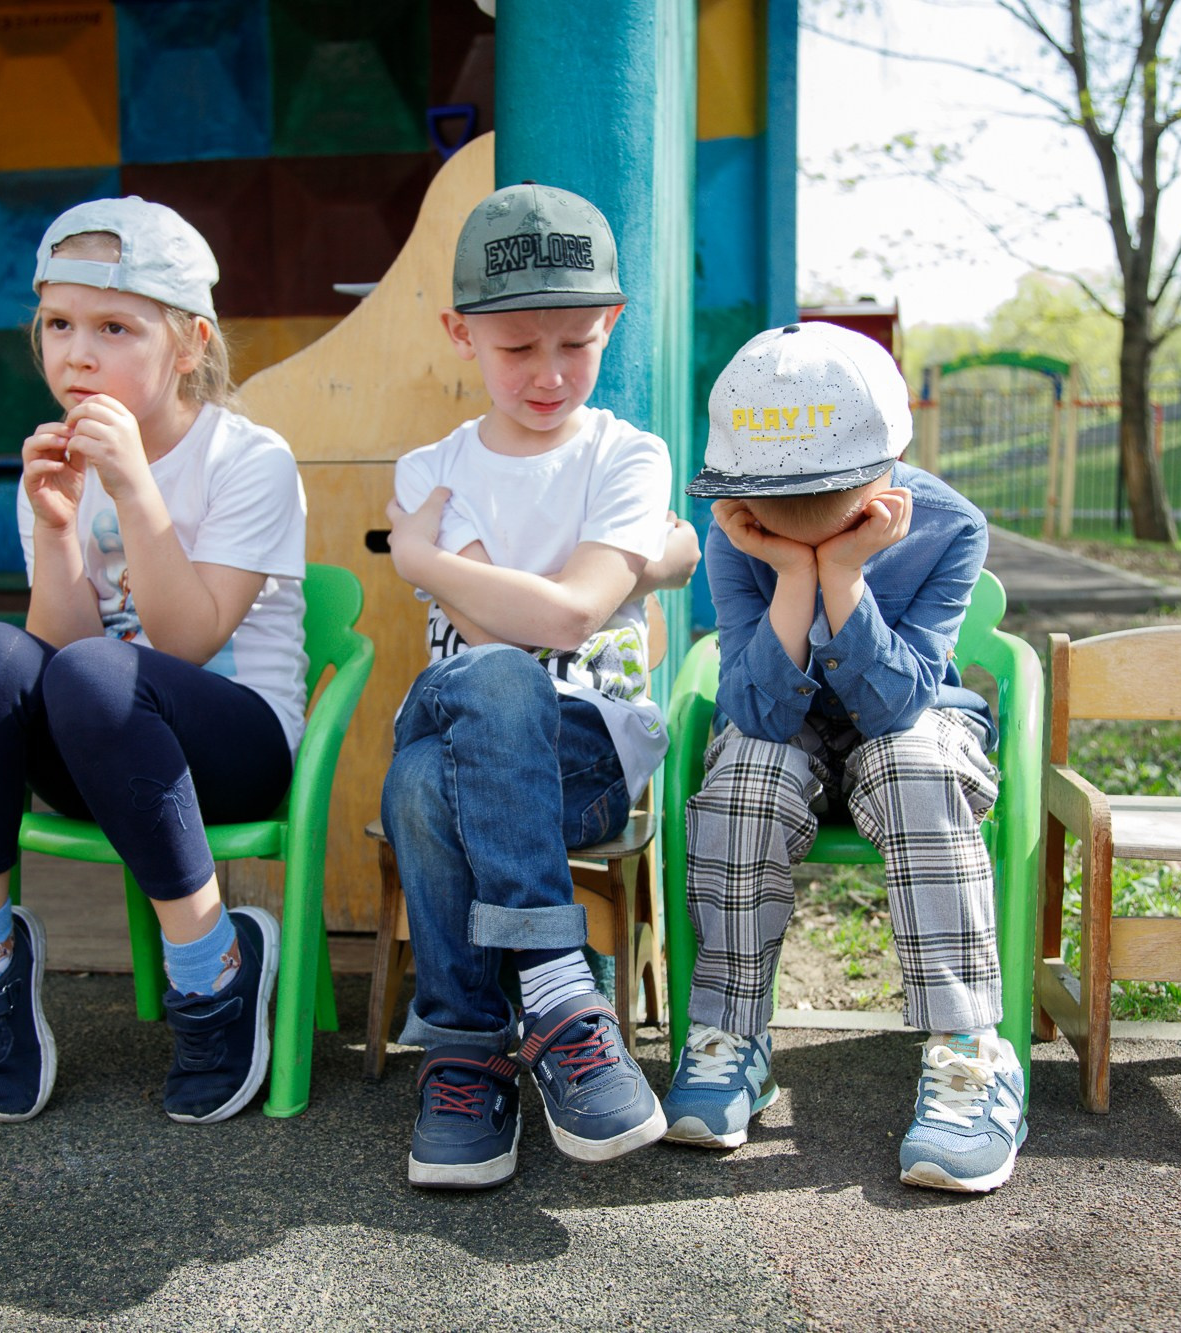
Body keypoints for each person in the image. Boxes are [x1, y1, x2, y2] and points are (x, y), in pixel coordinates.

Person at [0, 197, 308, 1126]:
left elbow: (186, 643)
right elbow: (48, 656)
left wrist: (133, 486)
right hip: (104, 741)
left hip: (235, 743)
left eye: (113, 327)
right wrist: (56, 530)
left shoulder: (248, 459)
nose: (76, 353)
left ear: (188, 342)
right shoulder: (57, 458)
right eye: (58, 324)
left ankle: (213, 970)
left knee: (100, 673)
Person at [381, 182, 701, 1190]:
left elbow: (563, 620)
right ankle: (563, 996)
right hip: (469, 704)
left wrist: (420, 560)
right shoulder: (433, 465)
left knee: (420, 789)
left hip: (585, 751)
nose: (549, 374)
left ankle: (468, 1051)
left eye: (575, 342)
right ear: (458, 333)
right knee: (489, 679)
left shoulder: (627, 457)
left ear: (609, 323)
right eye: (517, 348)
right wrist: (616, 574)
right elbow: (495, 634)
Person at [660, 321, 1025, 1193]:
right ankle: (730, 1039)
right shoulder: (741, 527)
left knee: (914, 763)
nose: (803, 532)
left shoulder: (948, 530)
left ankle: (971, 1052)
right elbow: (750, 706)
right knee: (745, 773)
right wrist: (790, 573)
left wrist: (846, 576)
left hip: (911, 736)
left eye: (830, 510)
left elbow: (901, 703)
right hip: (788, 742)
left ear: (887, 470)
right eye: (788, 519)